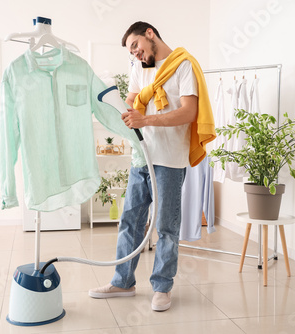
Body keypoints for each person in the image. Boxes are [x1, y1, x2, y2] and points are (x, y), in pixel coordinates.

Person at [89, 21, 215, 312]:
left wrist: (145, 119)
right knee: (130, 221)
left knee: (166, 227)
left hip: (170, 160)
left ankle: (162, 287)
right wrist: (128, 106)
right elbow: (134, 97)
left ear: (149, 34)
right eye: (131, 52)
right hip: (141, 156)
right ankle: (123, 281)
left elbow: (188, 112)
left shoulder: (183, 65)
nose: (135, 54)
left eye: (136, 46)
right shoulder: (139, 68)